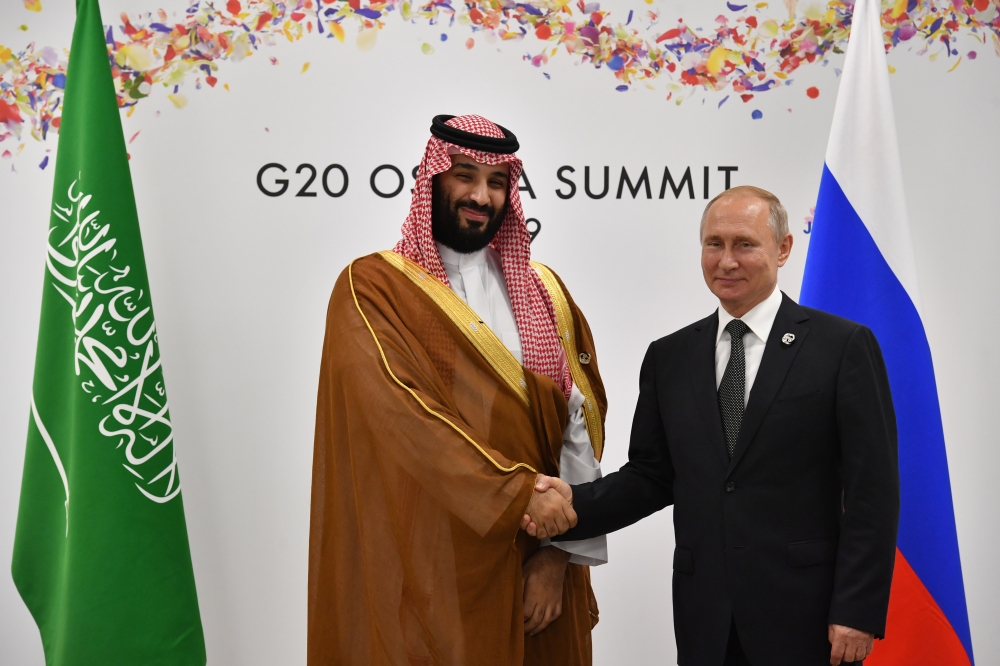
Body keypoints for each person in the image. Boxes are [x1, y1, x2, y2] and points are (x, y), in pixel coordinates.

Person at [528, 186, 900, 665]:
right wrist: (570, 504)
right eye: (714, 244)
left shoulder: (842, 347)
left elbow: (874, 491)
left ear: (783, 249)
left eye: (744, 244)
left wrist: (858, 609)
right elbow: (651, 476)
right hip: (706, 619)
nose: (726, 261)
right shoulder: (670, 357)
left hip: (809, 620)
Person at [308, 114, 609, 665]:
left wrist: (557, 557)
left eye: (497, 182)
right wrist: (520, 494)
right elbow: (403, 415)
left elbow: (579, 424)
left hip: (534, 559)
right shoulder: (374, 286)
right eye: (465, 175)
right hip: (424, 561)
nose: (481, 195)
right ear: (430, 177)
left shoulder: (545, 291)